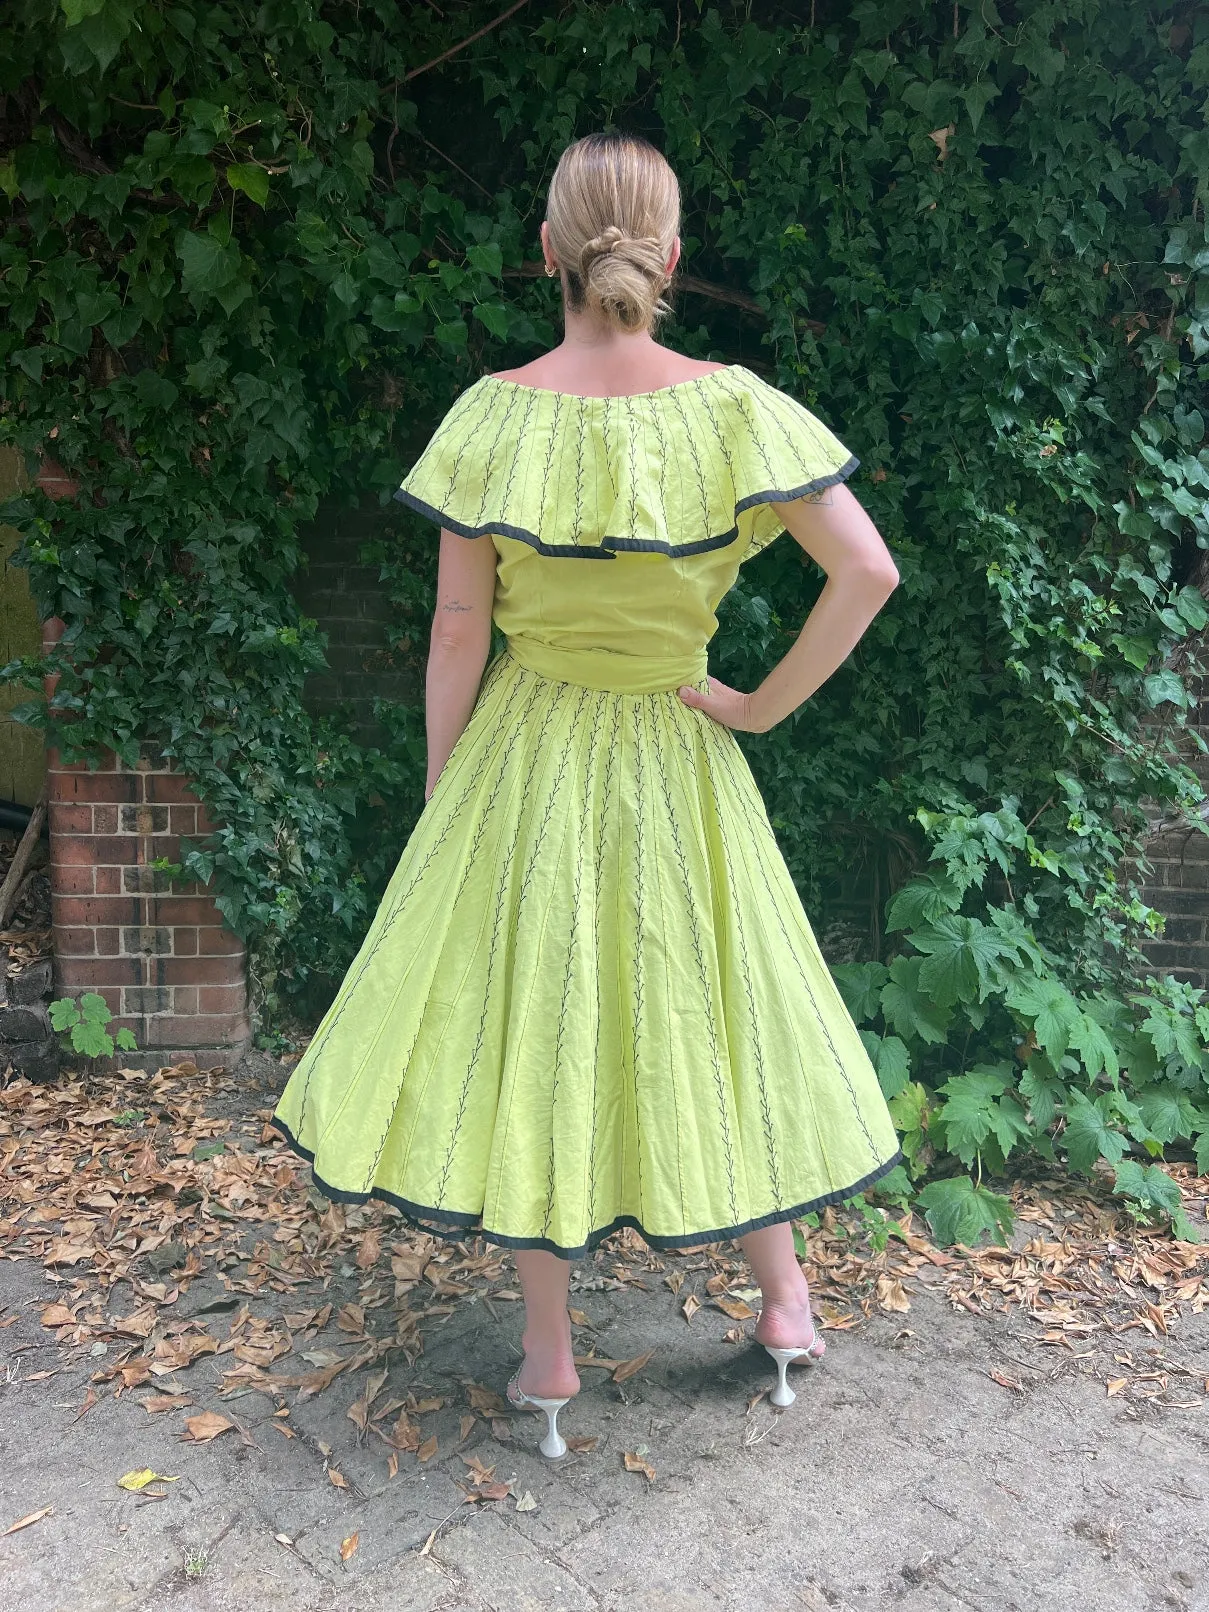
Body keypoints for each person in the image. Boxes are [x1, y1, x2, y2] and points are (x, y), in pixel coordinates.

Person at [271, 130, 903, 1460]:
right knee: (717, 1006)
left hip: (529, 755)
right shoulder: (737, 409)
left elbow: (456, 632)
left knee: (532, 1027)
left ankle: (549, 1357)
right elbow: (868, 573)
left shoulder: (492, 416)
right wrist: (752, 707)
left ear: (547, 253)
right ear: (672, 257)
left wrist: (447, 793)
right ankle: (785, 1307)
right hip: (681, 752)